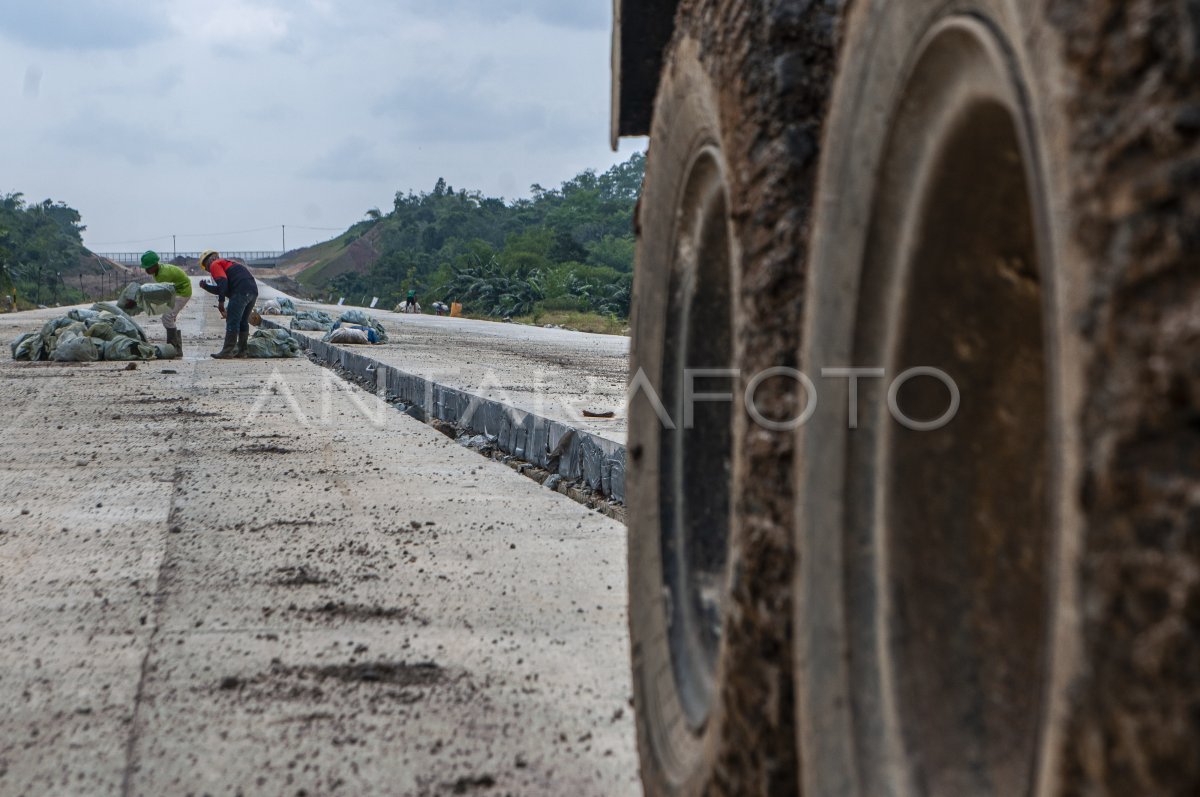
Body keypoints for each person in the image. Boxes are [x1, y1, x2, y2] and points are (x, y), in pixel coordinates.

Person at [197, 249, 258, 358]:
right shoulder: (228, 263)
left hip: (240, 292)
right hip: (252, 291)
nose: (209, 270)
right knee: (242, 321)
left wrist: (221, 302)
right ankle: (242, 351)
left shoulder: (214, 264)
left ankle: (227, 351)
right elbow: (223, 288)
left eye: (206, 268)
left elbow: (223, 283)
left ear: (207, 262)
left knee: (232, 321)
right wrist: (206, 286)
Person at [140, 250, 192, 354]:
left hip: (182, 292)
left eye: (148, 267)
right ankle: (176, 348)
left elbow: (163, 295)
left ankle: (173, 348)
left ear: (155, 265)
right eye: (145, 268)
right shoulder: (158, 271)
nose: (146, 270)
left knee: (167, 318)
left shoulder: (163, 274)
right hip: (176, 291)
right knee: (169, 317)